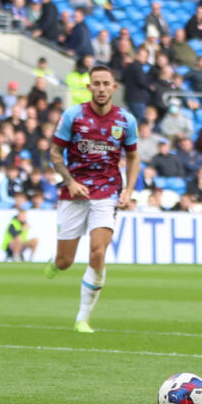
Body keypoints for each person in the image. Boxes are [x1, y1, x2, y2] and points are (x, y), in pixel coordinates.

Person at [43, 66, 141, 333]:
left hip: (107, 192)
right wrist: (70, 182)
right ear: (89, 87)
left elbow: (133, 157)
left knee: (98, 252)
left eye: (105, 83)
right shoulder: (73, 116)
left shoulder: (126, 120)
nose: (101, 88)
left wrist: (129, 190)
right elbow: (55, 153)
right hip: (75, 192)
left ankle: (82, 318)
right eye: (96, 83)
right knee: (65, 262)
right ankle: (56, 261)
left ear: (114, 87)